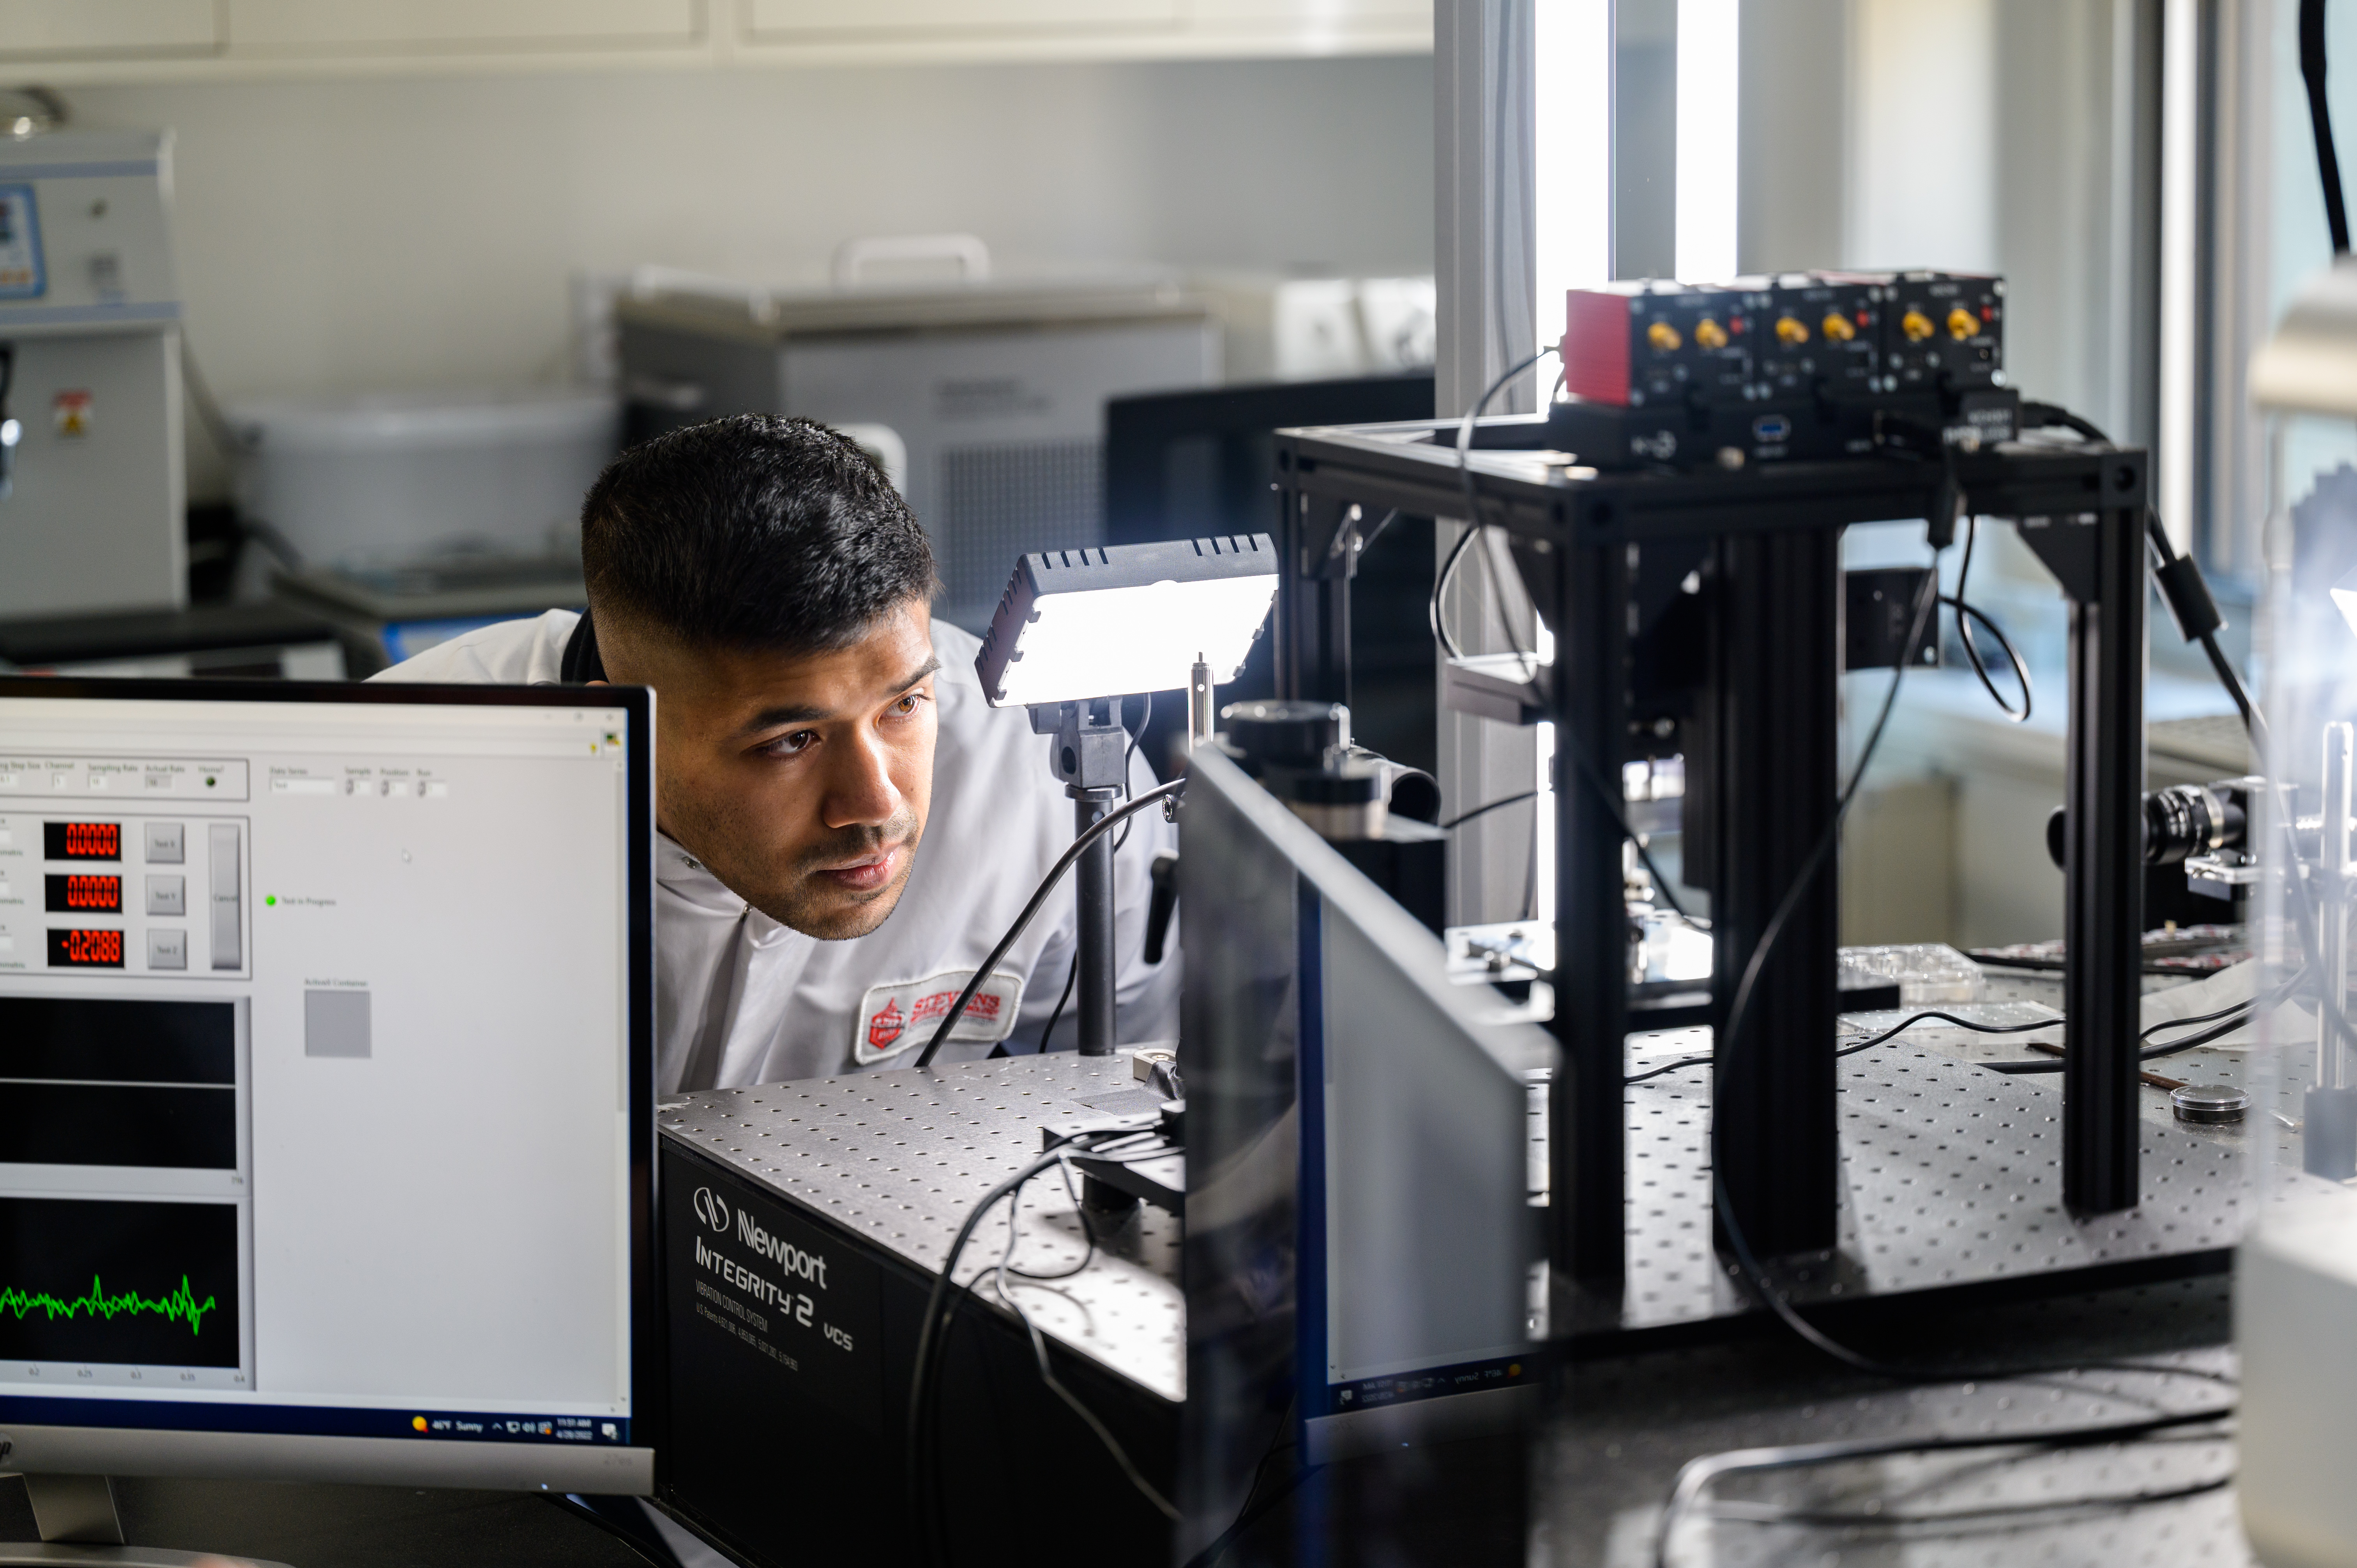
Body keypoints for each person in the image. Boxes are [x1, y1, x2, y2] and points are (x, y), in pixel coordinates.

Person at [374, 413, 1177, 1092]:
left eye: (904, 704)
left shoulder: (1040, 759)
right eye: (791, 741)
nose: (877, 805)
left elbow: (1155, 1076)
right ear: (613, 735)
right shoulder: (391, 784)